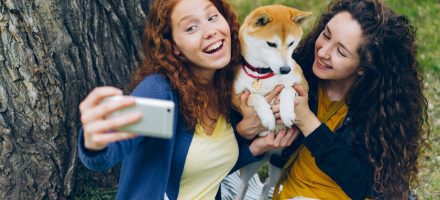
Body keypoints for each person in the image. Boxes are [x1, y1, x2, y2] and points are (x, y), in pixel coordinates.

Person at [77, 0, 296, 199]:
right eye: (191, 27)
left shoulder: (225, 86)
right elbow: (109, 151)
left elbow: (205, 170)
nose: (210, 31)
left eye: (212, 17)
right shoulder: (161, 93)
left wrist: (256, 148)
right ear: (174, 48)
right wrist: (96, 141)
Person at [267, 0, 429, 199]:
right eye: (326, 35)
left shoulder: (377, 110)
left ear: (364, 66)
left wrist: (308, 122)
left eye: (341, 51)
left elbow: (362, 185)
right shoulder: (301, 72)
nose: (323, 52)